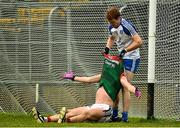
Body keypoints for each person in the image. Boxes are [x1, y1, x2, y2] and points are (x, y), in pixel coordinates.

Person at [32, 54, 140, 123]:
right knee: (69, 111)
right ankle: (45, 119)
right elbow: (88, 80)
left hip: (106, 110)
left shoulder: (121, 77)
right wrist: (73, 77)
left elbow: (128, 86)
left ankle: (66, 122)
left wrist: (135, 90)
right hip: (94, 106)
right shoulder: (103, 75)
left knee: (86, 114)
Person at [103, 6, 143, 122]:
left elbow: (139, 41)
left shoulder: (127, 26)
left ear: (119, 18)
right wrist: (107, 48)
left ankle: (125, 117)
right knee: (116, 85)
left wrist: (126, 50)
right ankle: (114, 115)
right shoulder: (111, 26)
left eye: (114, 22)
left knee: (125, 86)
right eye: (110, 22)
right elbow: (112, 37)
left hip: (132, 58)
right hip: (121, 57)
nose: (112, 25)